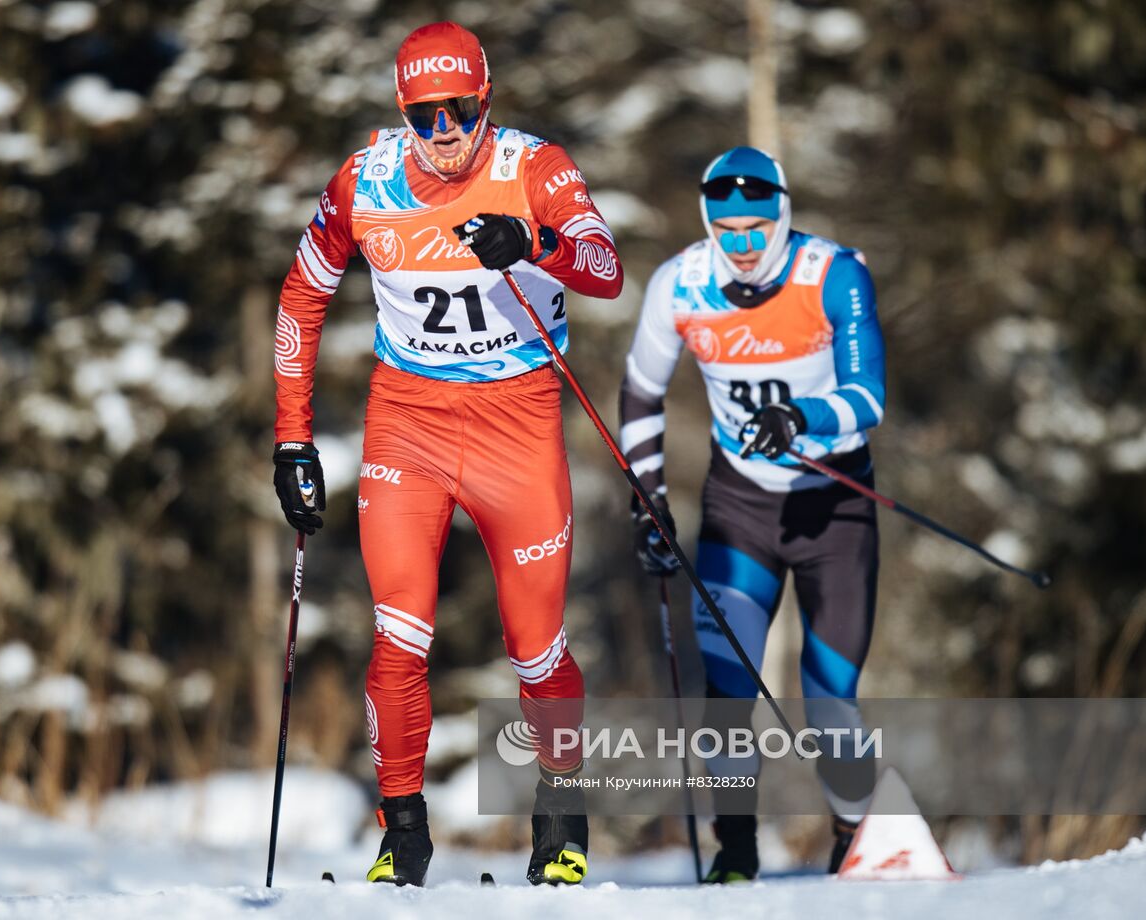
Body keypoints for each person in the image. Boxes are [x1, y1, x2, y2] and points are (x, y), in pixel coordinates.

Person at [271, 21, 624, 887]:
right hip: (410, 423)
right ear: (403, 111)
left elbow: (606, 267)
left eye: (459, 112)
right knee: (399, 635)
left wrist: (535, 245)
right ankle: (404, 834)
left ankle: (560, 819)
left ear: (485, 101)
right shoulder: (368, 179)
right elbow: (299, 300)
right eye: (425, 116)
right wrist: (292, 438)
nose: (444, 133)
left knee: (535, 646)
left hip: (519, 420)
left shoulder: (533, 168)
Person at [618, 146, 886, 882]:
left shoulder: (832, 273)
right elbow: (641, 390)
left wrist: (800, 416)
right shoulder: (682, 283)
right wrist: (649, 500)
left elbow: (869, 396)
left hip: (835, 508)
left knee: (828, 691)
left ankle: (853, 843)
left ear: (782, 218)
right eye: (725, 229)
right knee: (729, 687)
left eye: (755, 229)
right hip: (740, 509)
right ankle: (735, 853)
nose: (740, 245)